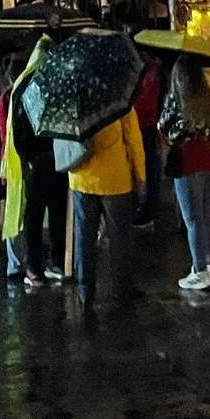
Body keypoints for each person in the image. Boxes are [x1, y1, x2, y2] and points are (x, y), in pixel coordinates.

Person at [1, 41, 68, 290]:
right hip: (47, 159)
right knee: (44, 211)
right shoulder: (42, 86)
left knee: (43, 212)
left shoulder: (26, 87)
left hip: (42, 160)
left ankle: (44, 263)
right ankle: (45, 263)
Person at [66, 104, 144, 304]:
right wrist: (139, 175)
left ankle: (85, 290)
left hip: (82, 178)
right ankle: (122, 288)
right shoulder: (120, 100)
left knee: (83, 236)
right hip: (115, 179)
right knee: (119, 238)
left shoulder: (74, 100)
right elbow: (133, 139)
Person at [160, 56, 210, 290]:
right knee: (206, 214)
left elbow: (167, 128)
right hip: (208, 156)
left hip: (188, 160)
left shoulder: (177, 100)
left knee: (192, 219)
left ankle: (199, 270)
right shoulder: (207, 98)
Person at [131, 53, 164, 229]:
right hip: (149, 124)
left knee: (148, 168)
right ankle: (147, 206)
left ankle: (146, 210)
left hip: (143, 125)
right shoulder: (154, 70)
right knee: (151, 167)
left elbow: (145, 102)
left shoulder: (148, 71)